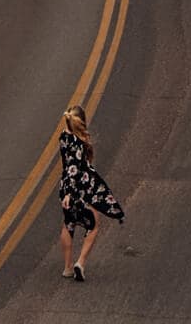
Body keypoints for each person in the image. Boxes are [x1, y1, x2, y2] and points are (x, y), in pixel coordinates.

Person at [58, 104, 124, 282]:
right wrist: (70, 194)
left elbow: (68, 165)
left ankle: (67, 268)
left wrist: (65, 193)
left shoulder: (63, 137)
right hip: (79, 190)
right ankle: (80, 262)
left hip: (65, 187)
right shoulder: (79, 143)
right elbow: (74, 169)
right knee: (93, 225)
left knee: (68, 224)